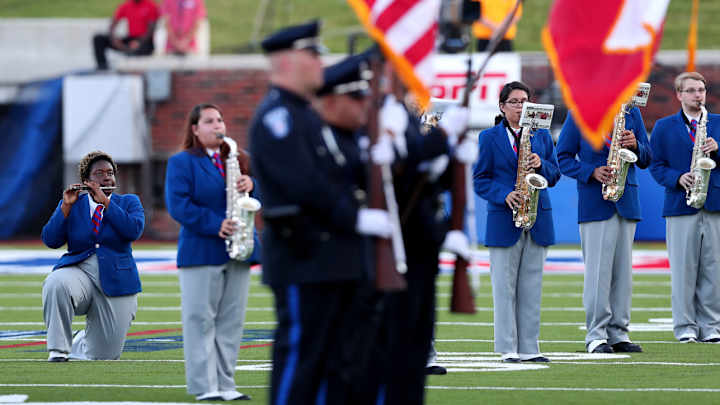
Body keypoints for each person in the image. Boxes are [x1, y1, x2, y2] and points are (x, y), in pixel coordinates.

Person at [248, 21, 393, 404]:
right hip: (304, 257)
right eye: (312, 54)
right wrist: (355, 217)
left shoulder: (304, 115)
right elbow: (305, 183)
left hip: (331, 259)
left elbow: (336, 174)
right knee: (301, 360)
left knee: (333, 364)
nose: (319, 63)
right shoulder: (277, 117)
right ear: (289, 60)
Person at [164, 103, 256, 401]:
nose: (218, 125)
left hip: (238, 250)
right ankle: (205, 387)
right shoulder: (181, 162)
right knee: (200, 319)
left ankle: (226, 384)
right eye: (209, 121)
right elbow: (178, 205)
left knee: (232, 322)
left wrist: (252, 184)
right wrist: (216, 224)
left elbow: (265, 194)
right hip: (202, 248)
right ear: (195, 129)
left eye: (220, 119)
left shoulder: (240, 159)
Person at [473, 81, 560, 363]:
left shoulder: (543, 137)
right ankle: (508, 348)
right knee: (504, 288)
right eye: (515, 102)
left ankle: (530, 348)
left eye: (525, 101)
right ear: (502, 106)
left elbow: (555, 174)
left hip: (537, 218)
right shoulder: (488, 137)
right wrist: (504, 194)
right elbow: (480, 179)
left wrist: (541, 165)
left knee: (531, 288)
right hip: (503, 219)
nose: (521, 106)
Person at [556, 97, 651, 354]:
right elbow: (562, 157)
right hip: (595, 202)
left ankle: (619, 332)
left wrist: (637, 146)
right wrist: (591, 172)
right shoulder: (579, 113)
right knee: (598, 274)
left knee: (623, 275)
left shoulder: (632, 113)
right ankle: (596, 335)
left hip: (627, 200)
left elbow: (647, 157)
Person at [41, 151, 144, 362]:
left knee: (104, 355)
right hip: (79, 272)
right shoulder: (75, 205)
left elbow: (133, 230)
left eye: (110, 172)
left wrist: (106, 203)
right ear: (86, 181)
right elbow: (51, 239)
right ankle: (58, 349)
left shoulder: (128, 202)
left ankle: (80, 340)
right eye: (99, 173)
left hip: (116, 278)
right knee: (56, 283)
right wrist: (65, 207)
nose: (107, 177)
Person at [649, 72, 720, 343]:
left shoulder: (718, 124)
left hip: (714, 204)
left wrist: (719, 148)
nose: (697, 95)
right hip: (680, 204)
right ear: (679, 94)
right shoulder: (664, 127)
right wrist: (677, 178)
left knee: (714, 270)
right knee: (682, 270)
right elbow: (656, 166)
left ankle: (711, 327)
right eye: (690, 90)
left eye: (701, 90)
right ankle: (685, 327)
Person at [92, 0, 160, 70]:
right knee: (98, 39)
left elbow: (151, 29)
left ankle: (133, 64)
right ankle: (102, 67)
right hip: (130, 39)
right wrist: (115, 40)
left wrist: (139, 42)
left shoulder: (151, 5)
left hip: (145, 41)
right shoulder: (126, 5)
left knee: (139, 49)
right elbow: (112, 26)